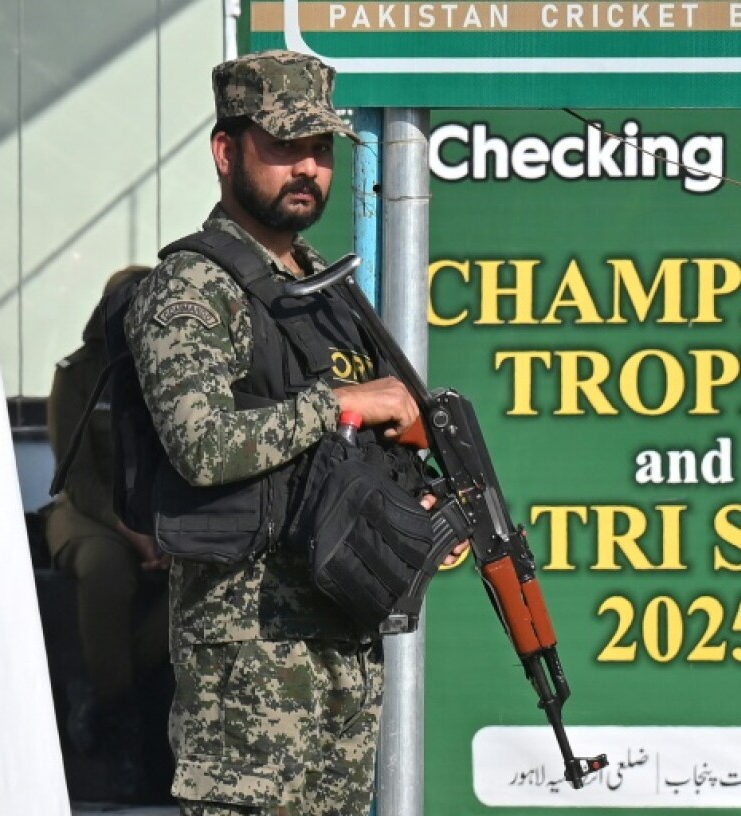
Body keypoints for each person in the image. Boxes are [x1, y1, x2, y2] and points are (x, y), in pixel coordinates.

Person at [123, 50, 465, 815]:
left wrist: (420, 518)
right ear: (226, 151)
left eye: (320, 149)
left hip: (337, 654)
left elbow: (352, 460)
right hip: (250, 674)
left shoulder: (321, 286)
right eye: (284, 147)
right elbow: (203, 444)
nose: (307, 167)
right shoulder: (192, 287)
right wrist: (343, 403)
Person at [45, 267, 173, 799]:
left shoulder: (174, 369)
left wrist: (165, 532)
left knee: (199, 588)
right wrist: (133, 532)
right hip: (90, 512)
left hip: (164, 518)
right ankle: (123, 734)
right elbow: (75, 474)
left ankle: (99, 690)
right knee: (104, 574)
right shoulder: (78, 374)